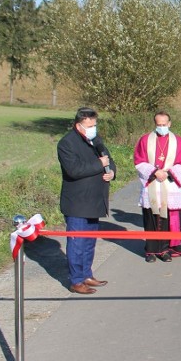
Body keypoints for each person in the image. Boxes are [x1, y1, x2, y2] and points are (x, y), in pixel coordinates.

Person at [57, 107, 116, 295]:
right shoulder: (67, 143)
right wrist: (100, 165)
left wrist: (111, 172)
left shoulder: (96, 141)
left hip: (95, 201)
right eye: (90, 126)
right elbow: (74, 170)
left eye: (95, 125)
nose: (93, 129)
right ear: (78, 125)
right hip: (78, 203)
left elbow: (108, 160)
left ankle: (86, 274)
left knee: (89, 242)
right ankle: (76, 281)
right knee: (77, 244)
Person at [134, 111, 181, 263]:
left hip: (169, 184)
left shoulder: (178, 141)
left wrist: (168, 173)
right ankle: (151, 251)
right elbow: (139, 161)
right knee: (151, 218)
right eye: (158, 125)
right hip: (152, 183)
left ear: (169, 124)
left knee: (165, 219)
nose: (161, 127)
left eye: (164, 125)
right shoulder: (145, 140)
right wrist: (154, 172)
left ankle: (165, 250)